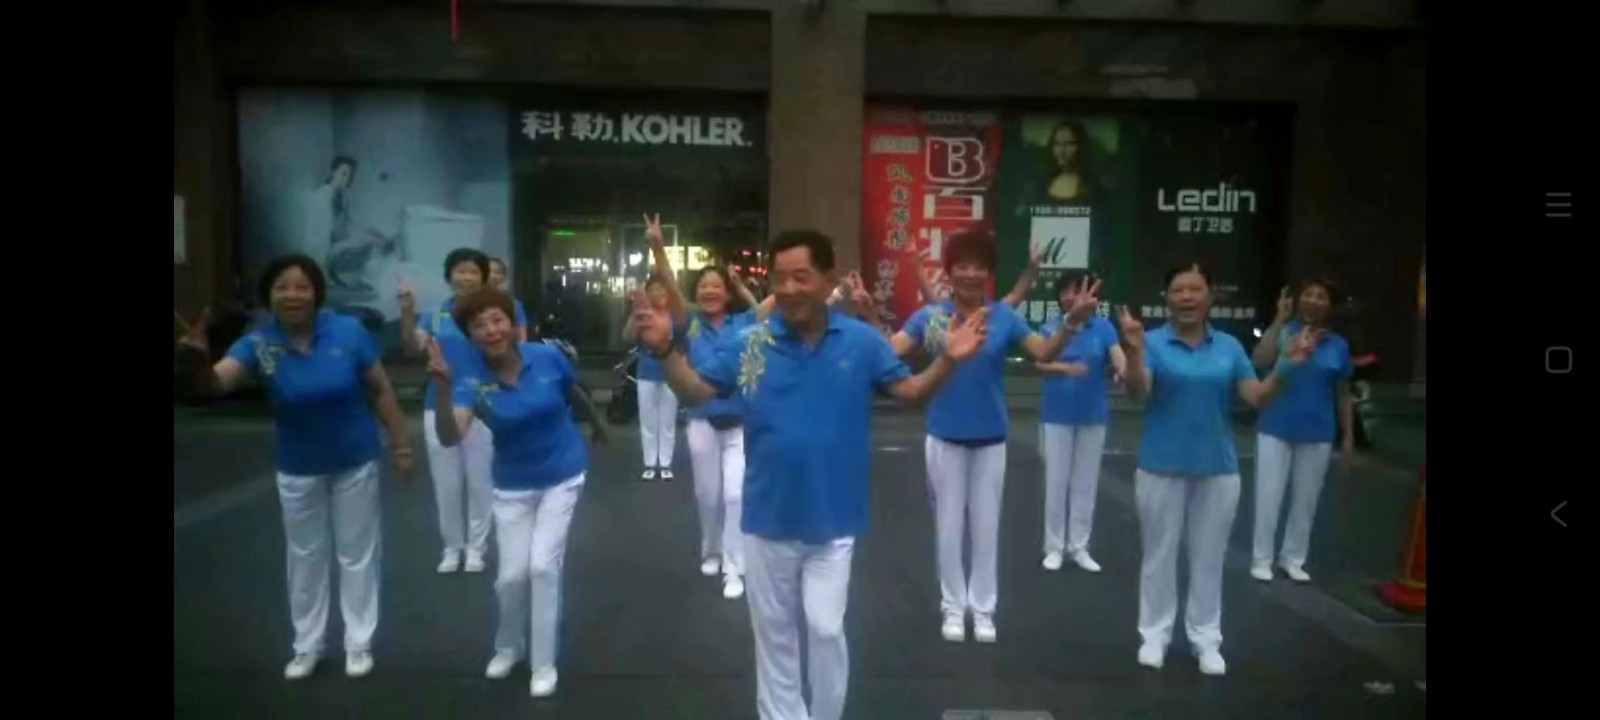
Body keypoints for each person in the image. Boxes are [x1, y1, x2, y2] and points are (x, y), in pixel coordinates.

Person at [630, 229, 988, 720]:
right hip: (766, 520)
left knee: (825, 629)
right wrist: (665, 351)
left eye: (801, 277)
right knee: (774, 638)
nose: (790, 289)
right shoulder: (751, 343)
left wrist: (947, 360)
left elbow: (910, 392)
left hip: (833, 522)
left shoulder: (860, 341)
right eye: (780, 279)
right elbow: (696, 391)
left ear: (827, 280)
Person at [174, 254, 412, 681]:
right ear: (269, 297)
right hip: (298, 466)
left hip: (354, 460)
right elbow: (215, 384)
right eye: (282, 287)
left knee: (357, 554)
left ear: (316, 293)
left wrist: (401, 446)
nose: (292, 295)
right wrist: (195, 361)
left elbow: (380, 390)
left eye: (302, 286)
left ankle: (358, 643)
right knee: (305, 556)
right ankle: (307, 646)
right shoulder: (258, 344)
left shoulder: (348, 332)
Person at [887, 230, 1091, 645]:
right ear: (949, 272)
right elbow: (889, 350)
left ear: (989, 273)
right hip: (944, 437)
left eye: (978, 267)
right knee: (948, 530)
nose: (970, 274)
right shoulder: (932, 317)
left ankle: (983, 609)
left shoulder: (1004, 317)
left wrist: (1071, 323)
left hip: (991, 438)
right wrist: (863, 317)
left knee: (986, 530)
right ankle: (952, 606)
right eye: (962, 266)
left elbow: (1043, 352)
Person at [1116, 263, 1316, 676]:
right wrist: (1133, 352)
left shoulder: (1229, 347)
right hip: (1160, 465)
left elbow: (1257, 397)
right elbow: (1139, 392)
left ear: (1210, 297)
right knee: (1159, 555)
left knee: (1209, 558)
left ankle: (1206, 639)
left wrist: (1287, 365)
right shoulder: (1152, 342)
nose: (1186, 297)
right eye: (1178, 290)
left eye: (1195, 289)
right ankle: (1154, 635)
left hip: (1218, 468)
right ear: (1167, 299)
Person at [424, 288, 611, 699]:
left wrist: (598, 425)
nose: (491, 331)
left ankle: (543, 663)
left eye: (497, 320)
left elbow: (574, 392)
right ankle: (509, 646)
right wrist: (442, 388)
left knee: (542, 567)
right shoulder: (470, 380)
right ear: (470, 336)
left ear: (512, 324)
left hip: (562, 474)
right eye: (479, 325)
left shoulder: (546, 357)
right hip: (511, 485)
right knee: (510, 577)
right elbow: (451, 436)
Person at [637, 214, 761, 599]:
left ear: (727, 292)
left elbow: (768, 309)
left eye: (717, 285)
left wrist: (743, 288)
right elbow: (671, 285)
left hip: (739, 423)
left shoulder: (744, 322)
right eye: (704, 285)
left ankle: (734, 565)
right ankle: (711, 550)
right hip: (702, 421)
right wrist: (657, 246)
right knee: (708, 495)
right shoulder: (688, 322)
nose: (709, 290)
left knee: (735, 495)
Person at [399, 248, 500, 574]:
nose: (466, 277)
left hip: (483, 404)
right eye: (460, 271)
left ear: (482, 277)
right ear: (449, 276)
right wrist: (407, 313)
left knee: (480, 480)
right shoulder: (435, 314)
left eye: (473, 272)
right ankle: (452, 547)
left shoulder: (491, 315)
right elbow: (411, 347)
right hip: (440, 403)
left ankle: (477, 548)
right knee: (446, 482)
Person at [1247, 281, 1356, 583]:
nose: (1312, 301)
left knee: (1306, 500)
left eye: (1320, 297)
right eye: (1307, 295)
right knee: (1268, 496)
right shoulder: (1284, 332)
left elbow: (1343, 394)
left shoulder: (1337, 345)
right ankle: (1261, 559)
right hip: (1275, 425)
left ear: (1329, 306)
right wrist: (1278, 320)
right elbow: (1259, 360)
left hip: (1318, 430)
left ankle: (1293, 558)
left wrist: (1348, 438)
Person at [1034, 272, 1127, 574]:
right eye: (1065, 292)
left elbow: (1118, 357)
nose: (1071, 297)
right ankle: (1053, 547)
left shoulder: (1104, 328)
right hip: (1056, 415)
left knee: (1085, 483)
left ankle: (1079, 547)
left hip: (1093, 415)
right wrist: (1066, 368)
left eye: (1077, 291)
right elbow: (1040, 362)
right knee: (1056, 483)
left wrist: (1121, 370)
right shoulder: (1051, 327)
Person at [622, 273, 681, 481]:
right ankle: (649, 462)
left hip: (670, 373)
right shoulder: (643, 314)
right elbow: (627, 337)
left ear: (668, 292)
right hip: (646, 372)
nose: (657, 293)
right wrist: (634, 315)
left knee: (668, 421)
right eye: (652, 290)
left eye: (660, 289)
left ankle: (665, 463)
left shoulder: (675, 316)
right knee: (647, 419)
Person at [487, 257, 532, 343]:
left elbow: (522, 336)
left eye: (497, 272)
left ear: (504, 277)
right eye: (488, 272)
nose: (492, 275)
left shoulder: (514, 304)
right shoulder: (473, 302)